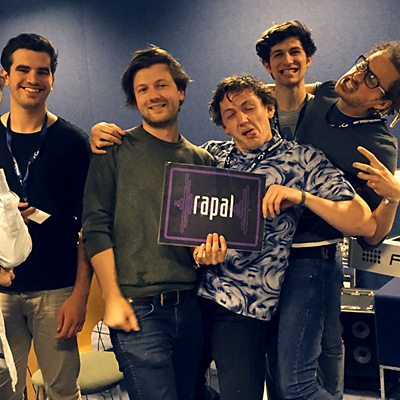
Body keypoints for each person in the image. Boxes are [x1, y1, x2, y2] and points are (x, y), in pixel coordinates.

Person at [88, 74, 377, 400]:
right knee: (185, 390)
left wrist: (300, 197)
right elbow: (163, 180)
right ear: (224, 127)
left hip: (244, 307)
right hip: (192, 299)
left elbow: (362, 222)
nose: (242, 120)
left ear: (269, 109)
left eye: (249, 108)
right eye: (230, 115)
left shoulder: (302, 159)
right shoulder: (210, 156)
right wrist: (105, 135)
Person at [256, 22, 400, 399]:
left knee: (308, 371)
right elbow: (268, 93)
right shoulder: (323, 91)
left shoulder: (376, 145)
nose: (356, 76)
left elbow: (372, 233)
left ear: (382, 103)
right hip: (268, 255)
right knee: (286, 363)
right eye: (363, 64)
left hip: (314, 260)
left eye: (372, 79)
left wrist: (393, 197)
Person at [82, 46, 219, 400]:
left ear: (180, 91)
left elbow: (203, 237)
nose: (153, 95)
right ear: (135, 99)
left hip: (192, 306)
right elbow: (95, 227)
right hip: (137, 308)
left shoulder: (202, 160)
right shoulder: (113, 149)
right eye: (142, 89)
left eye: (161, 85)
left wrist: (209, 253)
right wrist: (111, 296)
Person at [0, 33, 92, 399]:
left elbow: (90, 227)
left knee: (62, 391)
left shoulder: (73, 142)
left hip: (57, 291)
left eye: (43, 71)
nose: (33, 79)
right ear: (6, 75)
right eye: (23, 69)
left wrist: (80, 296)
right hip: (1, 293)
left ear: (53, 78)